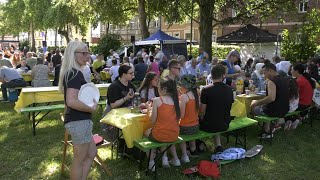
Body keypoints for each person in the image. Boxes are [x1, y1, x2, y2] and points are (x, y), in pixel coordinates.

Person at [58, 41, 98, 180]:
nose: (87, 56)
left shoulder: (73, 73)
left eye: (88, 52)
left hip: (80, 121)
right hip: (78, 121)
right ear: (73, 54)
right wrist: (90, 108)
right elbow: (71, 101)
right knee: (79, 159)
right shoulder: (74, 74)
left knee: (91, 153)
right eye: (84, 53)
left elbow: (70, 100)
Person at [144, 77, 181, 170]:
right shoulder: (177, 101)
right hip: (174, 135)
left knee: (146, 133)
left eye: (159, 87)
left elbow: (152, 120)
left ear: (164, 90)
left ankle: (151, 162)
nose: (158, 89)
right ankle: (164, 158)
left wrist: (149, 110)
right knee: (162, 132)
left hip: (160, 135)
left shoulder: (157, 100)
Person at [200, 64, 233, 153]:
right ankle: (218, 145)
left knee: (193, 122)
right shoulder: (229, 89)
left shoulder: (205, 89)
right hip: (225, 123)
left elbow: (202, 111)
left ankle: (197, 145)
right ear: (223, 75)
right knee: (216, 116)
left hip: (209, 125)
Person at [251, 63, 289, 139]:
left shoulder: (271, 81)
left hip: (274, 111)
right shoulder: (284, 79)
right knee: (264, 106)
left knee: (254, 108)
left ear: (270, 71)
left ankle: (266, 130)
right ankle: (269, 128)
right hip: (285, 109)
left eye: (265, 73)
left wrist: (256, 103)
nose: (263, 75)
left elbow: (271, 98)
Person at [178, 74, 200, 161]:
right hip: (195, 126)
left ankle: (184, 154)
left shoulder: (184, 97)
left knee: (178, 131)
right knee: (190, 132)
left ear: (185, 86)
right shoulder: (196, 94)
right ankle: (193, 149)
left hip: (185, 128)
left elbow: (181, 116)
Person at [290, 63, 315, 129]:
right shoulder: (303, 79)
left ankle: (289, 120)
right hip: (307, 103)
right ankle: (296, 119)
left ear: (297, 71)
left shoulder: (299, 81)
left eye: (292, 69)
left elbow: (291, 95)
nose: (290, 71)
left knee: (280, 105)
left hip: (302, 104)